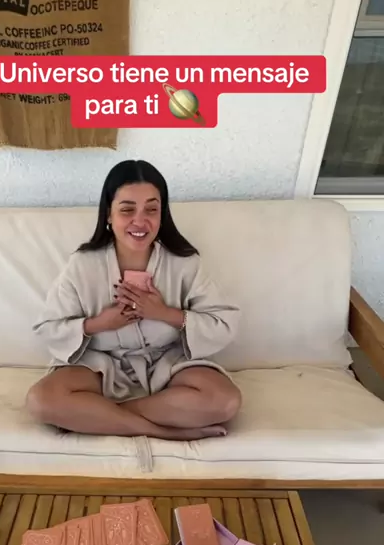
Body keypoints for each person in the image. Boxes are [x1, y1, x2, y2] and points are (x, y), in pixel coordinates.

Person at [27, 159, 241, 441]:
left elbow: (223, 323)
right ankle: (160, 430)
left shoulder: (185, 263)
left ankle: (97, 414)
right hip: (99, 365)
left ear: (162, 214)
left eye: (151, 209)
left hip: (167, 363)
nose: (140, 221)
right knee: (41, 400)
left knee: (225, 401)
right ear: (108, 214)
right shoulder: (82, 264)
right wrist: (98, 324)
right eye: (127, 210)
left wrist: (163, 312)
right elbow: (47, 327)